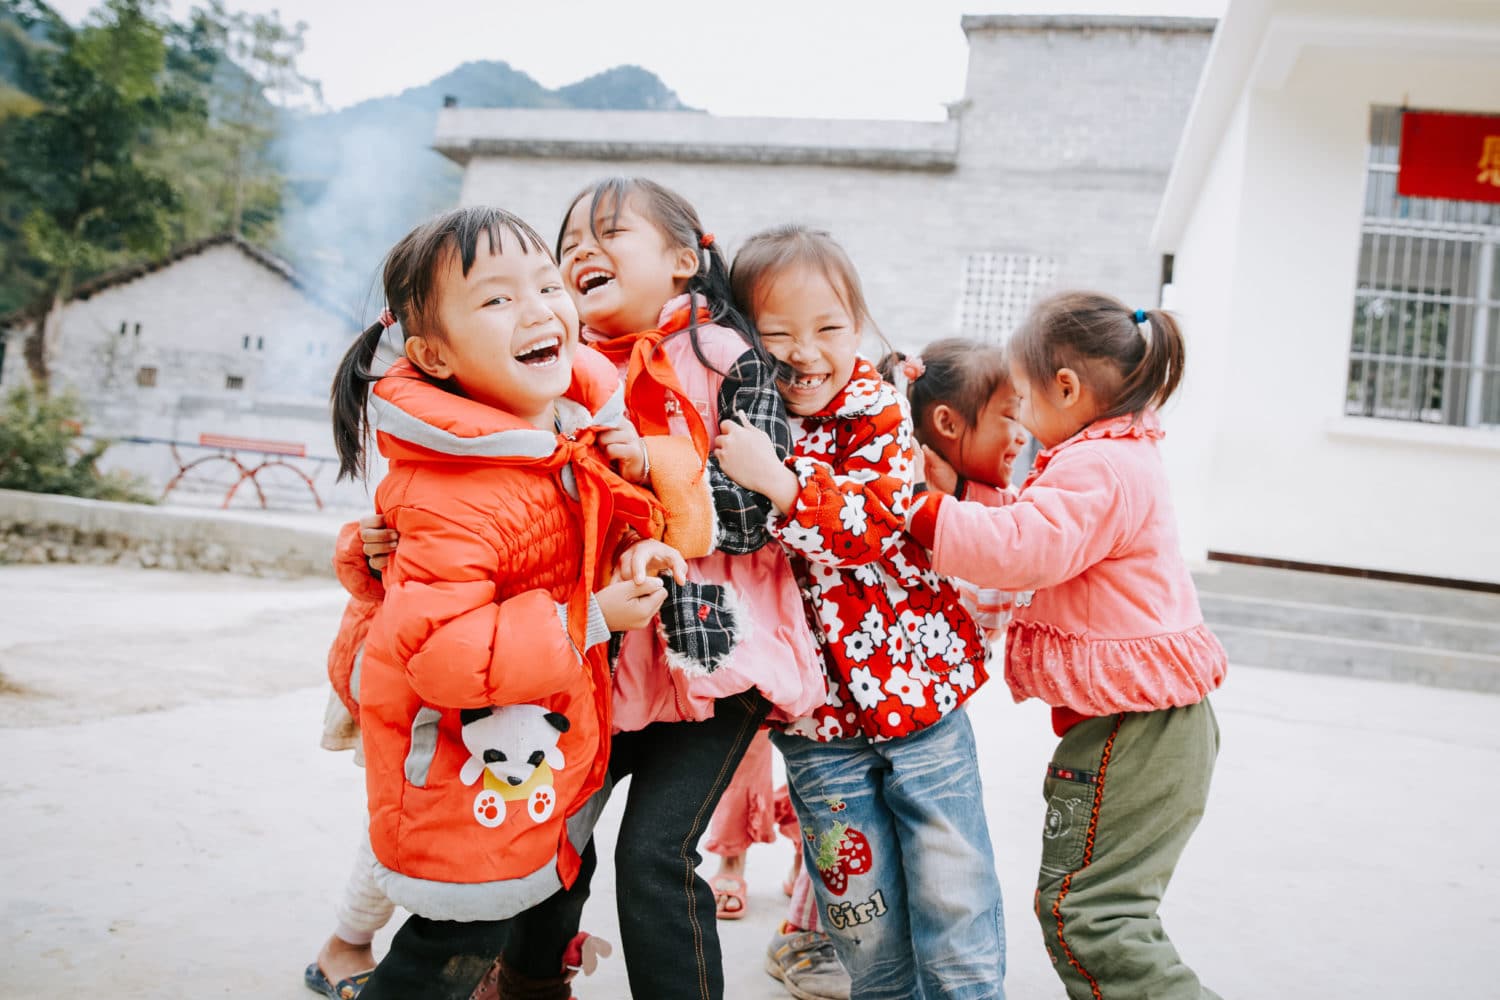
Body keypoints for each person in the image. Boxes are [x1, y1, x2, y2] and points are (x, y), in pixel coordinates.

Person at [361, 180, 827, 1000]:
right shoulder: (557, 378)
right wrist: (371, 551)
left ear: (685, 260)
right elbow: (489, 526)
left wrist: (651, 472)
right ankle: (530, 985)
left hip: (712, 651)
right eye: (568, 239)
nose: (578, 254)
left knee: (654, 853)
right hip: (598, 659)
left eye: (606, 234)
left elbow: (752, 517)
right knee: (554, 836)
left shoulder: (722, 357)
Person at [326, 205, 684, 1000]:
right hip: (465, 764)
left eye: (546, 285)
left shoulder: (562, 435)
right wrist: (593, 618)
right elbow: (444, 654)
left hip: (529, 742)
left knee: (530, 900)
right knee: (452, 944)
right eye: (495, 299)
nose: (537, 309)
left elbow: (589, 531)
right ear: (433, 356)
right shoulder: (460, 488)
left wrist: (639, 545)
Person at [713, 224, 1007, 1000]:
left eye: (829, 329)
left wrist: (776, 481)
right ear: (742, 337)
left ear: (858, 323)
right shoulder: (735, 423)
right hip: (815, 725)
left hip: (919, 694)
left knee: (955, 888)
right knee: (858, 910)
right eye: (776, 334)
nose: (805, 352)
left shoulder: (877, 410)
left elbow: (866, 527)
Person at [907, 291, 1228, 1000]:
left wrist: (921, 510)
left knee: (1090, 920)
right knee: (1103, 913)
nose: (1017, 415)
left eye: (1020, 395)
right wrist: (956, 490)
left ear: (1068, 388)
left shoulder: (1098, 468)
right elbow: (1031, 522)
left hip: (1134, 734)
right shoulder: (1116, 455)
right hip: (1151, 728)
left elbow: (1026, 546)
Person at [878, 338, 1027, 644]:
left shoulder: (988, 495)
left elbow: (1018, 520)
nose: (1024, 437)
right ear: (948, 423)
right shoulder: (904, 502)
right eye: (1012, 417)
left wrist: (960, 490)